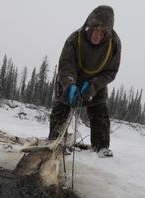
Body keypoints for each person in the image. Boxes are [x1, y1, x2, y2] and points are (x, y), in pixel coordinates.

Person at [49, 5, 121, 157]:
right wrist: (70, 85)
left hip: (96, 81)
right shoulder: (75, 39)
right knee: (61, 109)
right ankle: (55, 141)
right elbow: (65, 65)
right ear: (89, 26)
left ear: (107, 33)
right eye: (95, 29)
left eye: (102, 32)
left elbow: (111, 72)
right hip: (70, 78)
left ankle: (101, 147)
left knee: (100, 111)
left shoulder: (114, 43)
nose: (97, 35)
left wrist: (94, 86)